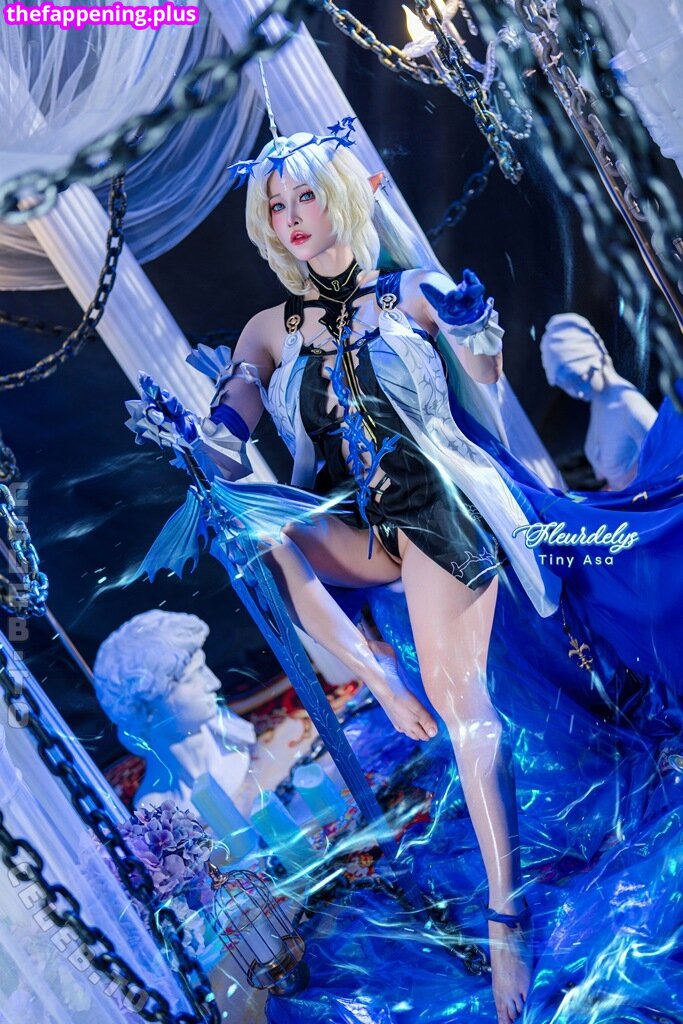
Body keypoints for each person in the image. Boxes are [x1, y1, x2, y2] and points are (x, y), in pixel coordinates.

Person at [182, 128, 559, 1023]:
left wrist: (471, 323)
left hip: (434, 507)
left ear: (342, 195)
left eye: (304, 196)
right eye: (276, 205)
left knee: (463, 709)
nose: (290, 217)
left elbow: (483, 375)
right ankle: (376, 674)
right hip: (350, 522)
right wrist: (210, 432)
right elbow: (234, 416)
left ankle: (506, 918)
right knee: (249, 518)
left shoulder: (410, 290)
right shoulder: (271, 328)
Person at [93, 610, 256, 816]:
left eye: (204, 668)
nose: (214, 683)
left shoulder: (234, 742)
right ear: (147, 709)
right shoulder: (157, 809)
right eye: (192, 678)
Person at [540, 312, 657, 491]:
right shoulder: (598, 404)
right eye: (566, 387)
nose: (577, 392)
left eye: (578, 379)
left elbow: (668, 461)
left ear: (592, 360)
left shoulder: (629, 406)